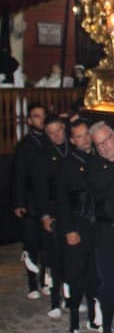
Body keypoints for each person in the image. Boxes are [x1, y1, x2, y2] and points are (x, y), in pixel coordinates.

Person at [56, 119, 99, 333]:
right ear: (72, 140)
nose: (85, 139)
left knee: (93, 274)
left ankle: (92, 316)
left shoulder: (97, 159)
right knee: (76, 274)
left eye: (86, 134)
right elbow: (61, 201)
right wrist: (69, 229)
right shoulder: (67, 165)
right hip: (76, 225)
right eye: (79, 136)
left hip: (95, 226)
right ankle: (73, 321)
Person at [88, 122, 114, 333]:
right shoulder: (94, 165)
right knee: (108, 283)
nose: (104, 147)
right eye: (99, 144)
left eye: (107, 140)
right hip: (105, 233)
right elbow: (104, 186)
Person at [33, 114, 71, 317]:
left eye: (59, 131)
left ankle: (71, 298)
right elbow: (40, 189)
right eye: (51, 133)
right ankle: (55, 301)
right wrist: (44, 215)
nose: (57, 136)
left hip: (71, 210)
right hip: (53, 210)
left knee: (71, 257)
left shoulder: (72, 147)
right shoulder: (42, 155)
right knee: (54, 258)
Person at [11, 102, 46, 298]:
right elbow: (18, 176)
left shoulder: (50, 141)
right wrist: (19, 203)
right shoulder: (25, 145)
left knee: (47, 244)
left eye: (42, 115)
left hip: (46, 200)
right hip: (30, 200)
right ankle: (33, 283)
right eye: (36, 116)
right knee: (31, 243)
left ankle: (46, 280)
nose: (40, 119)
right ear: (29, 120)